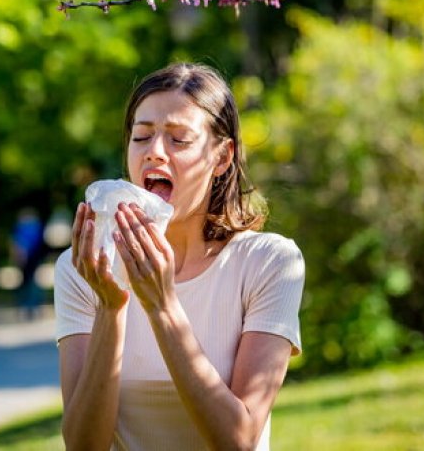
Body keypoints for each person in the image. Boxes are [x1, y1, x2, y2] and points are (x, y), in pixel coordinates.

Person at [54, 63, 305, 450]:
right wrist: (110, 306)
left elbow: (238, 441)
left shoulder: (269, 263)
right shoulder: (83, 270)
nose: (154, 152)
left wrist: (162, 305)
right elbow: (83, 446)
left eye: (179, 140)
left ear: (222, 158)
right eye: (141, 137)